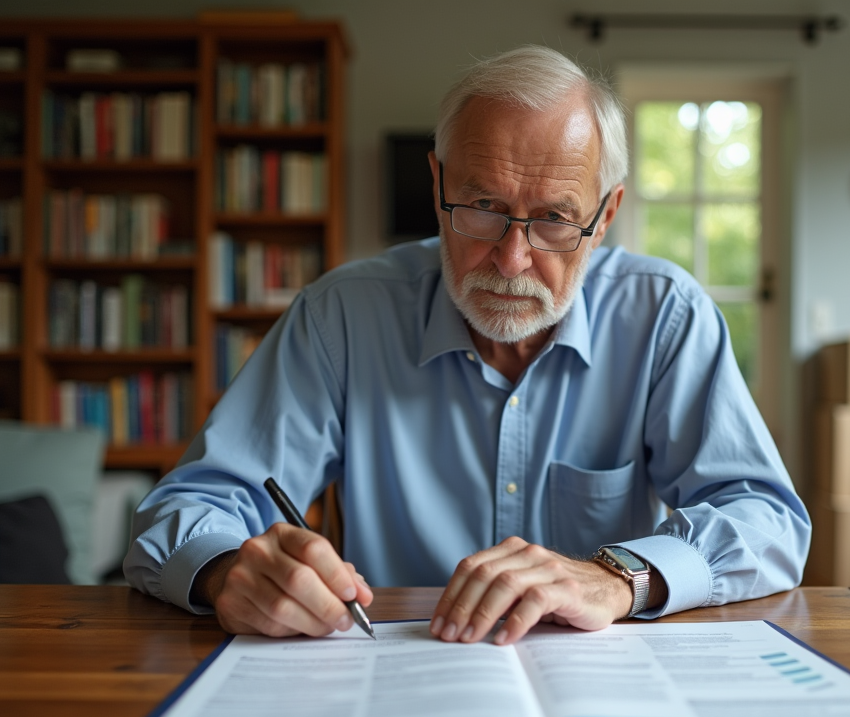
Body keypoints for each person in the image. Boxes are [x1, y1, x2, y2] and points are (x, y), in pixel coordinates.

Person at [125, 45, 810, 646]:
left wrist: (618, 577)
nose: (511, 260)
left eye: (553, 219)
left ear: (605, 217)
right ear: (437, 186)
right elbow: (183, 512)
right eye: (482, 207)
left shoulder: (664, 316)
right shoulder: (342, 316)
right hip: (386, 671)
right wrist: (225, 573)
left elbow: (768, 520)